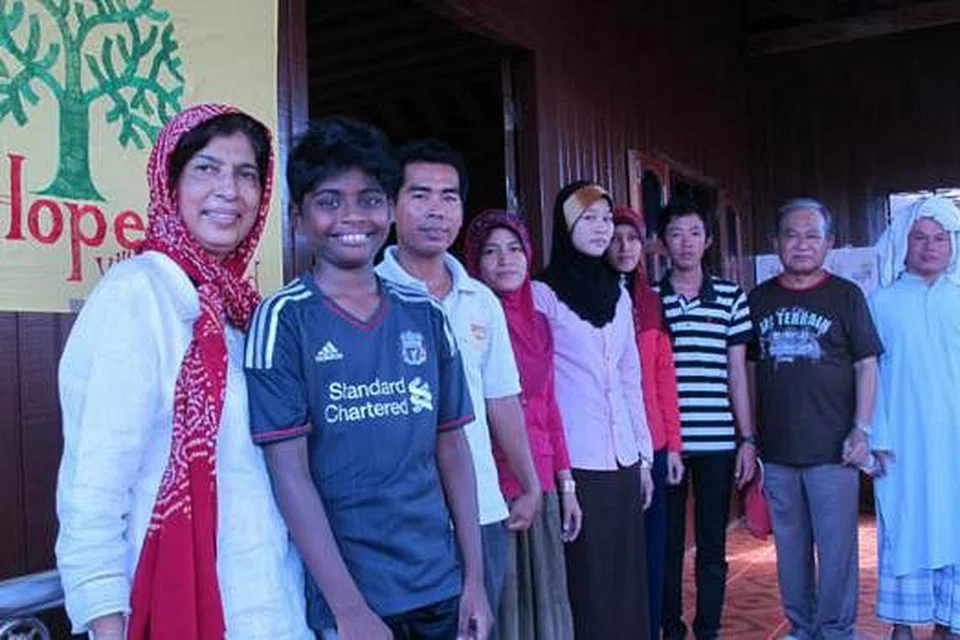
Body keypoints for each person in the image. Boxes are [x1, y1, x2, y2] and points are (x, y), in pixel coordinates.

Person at [55, 104, 311, 639]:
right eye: (207, 168)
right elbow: (92, 494)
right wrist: (107, 626)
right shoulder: (138, 294)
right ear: (170, 184)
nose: (229, 190)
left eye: (246, 174)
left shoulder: (242, 311)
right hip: (176, 609)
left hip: (268, 604)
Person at [244, 117, 490, 640]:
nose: (352, 216)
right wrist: (349, 610)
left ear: (389, 210)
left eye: (370, 199)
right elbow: (290, 475)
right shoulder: (282, 319)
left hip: (439, 586)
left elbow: (453, 450)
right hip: (351, 602)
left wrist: (475, 581)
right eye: (329, 201)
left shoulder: (423, 313)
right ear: (298, 217)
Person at [375, 140, 542, 618]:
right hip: (401, 518)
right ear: (390, 207)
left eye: (449, 197)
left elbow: (502, 400)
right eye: (420, 194)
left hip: (482, 509)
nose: (436, 210)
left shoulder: (480, 299)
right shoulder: (369, 292)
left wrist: (529, 483)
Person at [748, 197, 881, 640]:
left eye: (812, 235)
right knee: (790, 550)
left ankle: (837, 630)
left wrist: (861, 430)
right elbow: (746, 370)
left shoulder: (847, 296)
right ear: (776, 243)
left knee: (838, 549)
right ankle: (802, 629)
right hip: (779, 451)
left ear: (830, 243)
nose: (801, 244)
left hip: (834, 451)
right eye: (791, 234)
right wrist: (749, 438)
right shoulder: (758, 300)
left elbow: (867, 365)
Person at [532, 180, 654, 640]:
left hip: (622, 459)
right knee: (586, 581)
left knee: (626, 579)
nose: (602, 229)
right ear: (566, 226)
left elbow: (629, 380)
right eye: (589, 219)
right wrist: (560, 477)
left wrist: (642, 457)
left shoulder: (619, 295)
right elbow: (540, 391)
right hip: (577, 463)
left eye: (606, 218)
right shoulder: (542, 293)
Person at [463, 210, 582, 640]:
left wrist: (565, 485)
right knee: (504, 599)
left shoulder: (540, 324)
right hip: (492, 484)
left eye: (514, 249)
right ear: (475, 262)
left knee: (547, 596)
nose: (505, 260)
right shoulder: (469, 321)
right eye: (490, 252)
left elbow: (549, 407)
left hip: (541, 478)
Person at [655, 198, 756, 640]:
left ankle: (708, 629)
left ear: (709, 240)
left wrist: (747, 438)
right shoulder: (647, 299)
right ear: (662, 243)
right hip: (667, 442)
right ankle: (671, 628)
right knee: (668, 544)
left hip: (717, 440)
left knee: (713, 545)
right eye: (676, 233)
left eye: (695, 232)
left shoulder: (731, 297)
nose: (686, 242)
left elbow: (737, 372)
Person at [870, 196, 960, 639]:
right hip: (900, 448)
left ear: (953, 245)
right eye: (920, 238)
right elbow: (867, 377)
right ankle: (903, 627)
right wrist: (874, 437)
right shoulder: (880, 303)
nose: (930, 247)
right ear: (903, 244)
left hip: (957, 448)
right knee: (906, 530)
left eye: (940, 238)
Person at [606, 206, 684, 640]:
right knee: (616, 554)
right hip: (606, 447)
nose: (623, 247)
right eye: (614, 238)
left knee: (653, 552)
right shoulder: (588, 296)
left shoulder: (652, 302)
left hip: (651, 445)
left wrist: (673, 445)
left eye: (632, 239)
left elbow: (663, 377)